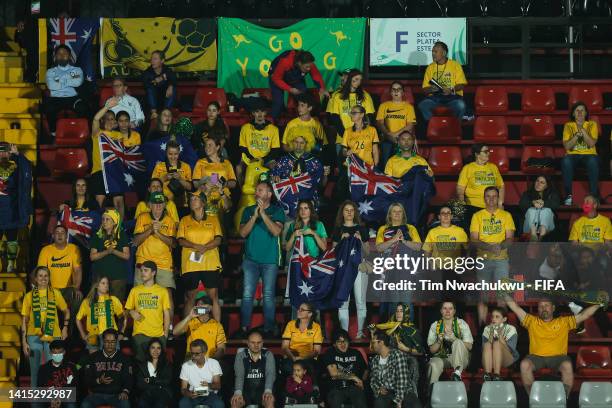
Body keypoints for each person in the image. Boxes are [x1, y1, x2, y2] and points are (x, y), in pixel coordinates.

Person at [505, 295, 604, 396]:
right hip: (536, 357)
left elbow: (584, 315)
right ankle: (533, 398)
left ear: (553, 308)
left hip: (559, 358)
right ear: (538, 309)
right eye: (541, 306)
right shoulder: (531, 321)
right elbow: (515, 308)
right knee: (524, 365)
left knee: (568, 366)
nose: (544, 308)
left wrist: (599, 304)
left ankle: (563, 400)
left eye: (546, 306)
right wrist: (504, 293)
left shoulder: (563, 322)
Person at [237, 181, 285, 337]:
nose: (257, 193)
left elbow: (276, 231)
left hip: (270, 260)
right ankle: (244, 328)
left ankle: (269, 329)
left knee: (269, 295)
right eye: (256, 190)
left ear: (269, 194)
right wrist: (255, 215)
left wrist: (263, 214)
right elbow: (243, 233)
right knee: (247, 294)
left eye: (260, 190)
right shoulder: (248, 210)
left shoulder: (277, 211)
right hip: (250, 260)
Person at [470, 186, 515, 324]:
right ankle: (482, 327)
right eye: (488, 196)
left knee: (502, 296)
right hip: (483, 260)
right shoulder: (477, 216)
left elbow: (510, 239)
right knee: (483, 296)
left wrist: (499, 246)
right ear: (484, 198)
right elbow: (474, 239)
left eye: (494, 196)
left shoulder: (506, 215)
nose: (491, 199)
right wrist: (490, 247)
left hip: (501, 260)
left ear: (498, 198)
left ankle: (501, 328)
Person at [178, 192, 223, 321]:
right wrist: (196, 246)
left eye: (196, 199)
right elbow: (180, 240)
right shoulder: (184, 220)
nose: (193, 201)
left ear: (203, 203)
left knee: (213, 296)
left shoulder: (213, 219)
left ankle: (217, 328)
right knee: (191, 296)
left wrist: (205, 247)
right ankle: (187, 328)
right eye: (191, 199)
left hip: (210, 262)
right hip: (191, 264)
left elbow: (218, 239)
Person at [21, 266, 69, 387]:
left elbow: (66, 311)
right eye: (40, 276)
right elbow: (24, 319)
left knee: (53, 369)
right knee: (34, 369)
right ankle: (35, 401)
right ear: (36, 279)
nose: (43, 278)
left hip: (53, 334)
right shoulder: (29, 296)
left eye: (46, 276)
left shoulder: (56, 293)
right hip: (33, 335)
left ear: (49, 278)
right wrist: (24, 341)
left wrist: (65, 327)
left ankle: (54, 399)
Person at [133, 191, 177, 315]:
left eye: (161, 203)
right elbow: (136, 241)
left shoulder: (170, 220)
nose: (158, 206)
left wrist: (158, 234)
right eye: (155, 203)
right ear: (150, 205)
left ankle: (168, 329)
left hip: (163, 264)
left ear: (164, 205)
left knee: (167, 295)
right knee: (139, 295)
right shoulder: (142, 217)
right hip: (143, 262)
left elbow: (173, 243)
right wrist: (151, 229)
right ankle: (140, 328)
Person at [333, 201, 369, 339]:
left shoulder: (362, 229)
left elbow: (367, 251)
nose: (349, 212)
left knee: (361, 301)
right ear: (342, 213)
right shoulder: (338, 230)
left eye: (351, 210)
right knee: (343, 302)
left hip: (359, 267)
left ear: (355, 212)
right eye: (346, 210)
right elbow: (334, 252)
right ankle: (344, 334)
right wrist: (341, 240)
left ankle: (360, 332)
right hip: (343, 270)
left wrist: (360, 240)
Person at [125, 261, 171, 361]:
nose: (142, 273)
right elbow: (126, 311)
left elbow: (166, 314)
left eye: (146, 270)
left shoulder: (162, 291)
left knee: (157, 367)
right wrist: (131, 312)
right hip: (139, 335)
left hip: (158, 335)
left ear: (153, 273)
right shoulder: (135, 290)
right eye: (141, 271)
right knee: (141, 366)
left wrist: (165, 334)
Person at [269, 49, 329, 120]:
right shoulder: (285, 62)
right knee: (278, 103)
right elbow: (276, 79)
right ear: (300, 63)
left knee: (304, 95)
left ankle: (300, 119)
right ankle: (271, 122)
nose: (309, 69)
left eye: (310, 66)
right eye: (307, 67)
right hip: (276, 75)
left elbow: (316, 75)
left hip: (294, 74)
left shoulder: (308, 62)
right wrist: (290, 89)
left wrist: (322, 88)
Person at [37, 225, 83, 317]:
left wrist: (76, 288)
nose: (60, 235)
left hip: (68, 289)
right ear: (53, 236)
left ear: (66, 236)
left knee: (78, 297)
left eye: (62, 233)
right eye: (57, 233)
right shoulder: (46, 250)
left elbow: (77, 271)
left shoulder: (74, 249)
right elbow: (41, 272)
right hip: (50, 288)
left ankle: (70, 329)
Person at [42, 44, 88, 136]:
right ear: (55, 56)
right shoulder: (51, 71)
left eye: (65, 53)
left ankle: (82, 133)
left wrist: (59, 80)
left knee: (83, 108)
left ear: (69, 56)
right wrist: (69, 80)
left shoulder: (76, 70)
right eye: (59, 53)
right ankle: (53, 133)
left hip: (73, 98)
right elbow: (51, 86)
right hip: (56, 98)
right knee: (48, 108)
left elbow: (78, 82)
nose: (62, 55)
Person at [0, 143, 32, 273]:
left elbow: (27, 172)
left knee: (12, 238)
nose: (3, 154)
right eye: (0, 152)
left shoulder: (17, 166)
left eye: (5, 152)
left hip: (11, 208)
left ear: (10, 153)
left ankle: (11, 264)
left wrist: (19, 155)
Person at [81, 329, 132, 408]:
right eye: (107, 341)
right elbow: (86, 380)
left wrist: (125, 391)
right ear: (103, 341)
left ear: (116, 342)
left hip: (117, 394)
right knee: (85, 405)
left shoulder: (124, 358)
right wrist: (99, 380)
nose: (110, 344)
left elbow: (129, 378)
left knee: (126, 405)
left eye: (112, 341)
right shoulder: (93, 357)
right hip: (97, 394)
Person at [370, 331, 421, 408]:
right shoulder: (375, 360)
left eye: (373, 342)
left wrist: (398, 400)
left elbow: (402, 380)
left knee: (415, 405)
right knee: (378, 403)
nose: (372, 345)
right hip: (386, 392)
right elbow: (373, 380)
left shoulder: (397, 355)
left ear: (381, 342)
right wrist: (378, 389)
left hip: (403, 390)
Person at [561, 102, 600, 205]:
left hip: (589, 155)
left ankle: (594, 196)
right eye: (577, 110)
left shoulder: (592, 124)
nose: (579, 113)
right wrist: (577, 136)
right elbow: (567, 146)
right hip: (572, 155)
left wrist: (582, 129)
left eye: (582, 110)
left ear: (586, 113)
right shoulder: (568, 125)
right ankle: (568, 195)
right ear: (573, 114)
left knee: (593, 161)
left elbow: (591, 143)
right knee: (566, 161)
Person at [418, 41, 467, 121]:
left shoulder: (455, 65)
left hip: (453, 97)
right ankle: (434, 126)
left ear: (444, 53)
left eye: (435, 52)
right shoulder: (430, 67)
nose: (433, 54)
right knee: (423, 105)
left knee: (460, 105)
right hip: (435, 98)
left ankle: (454, 127)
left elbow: (461, 85)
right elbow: (424, 89)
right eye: (432, 52)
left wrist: (451, 90)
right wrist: (431, 89)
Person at [76, 276, 126, 353]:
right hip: (93, 336)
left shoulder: (113, 299)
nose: (106, 285)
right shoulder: (87, 301)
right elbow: (78, 319)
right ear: (96, 285)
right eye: (103, 283)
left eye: (107, 283)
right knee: (94, 362)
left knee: (111, 363)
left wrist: (121, 333)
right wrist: (83, 335)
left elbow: (123, 317)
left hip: (111, 336)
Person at [427, 301, 473, 383]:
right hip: (444, 357)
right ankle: (432, 391)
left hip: (461, 358)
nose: (447, 311)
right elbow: (432, 350)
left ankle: (457, 373)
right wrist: (438, 341)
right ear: (441, 311)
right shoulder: (435, 326)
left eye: (450, 308)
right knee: (433, 364)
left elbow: (470, 346)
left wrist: (454, 338)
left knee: (458, 342)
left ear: (454, 311)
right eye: (445, 308)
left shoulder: (461, 323)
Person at [89, 209, 130, 301]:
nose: (104, 222)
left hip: (117, 278)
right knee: (99, 306)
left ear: (114, 222)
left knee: (116, 308)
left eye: (107, 219)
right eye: (103, 219)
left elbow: (127, 256)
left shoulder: (121, 235)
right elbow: (92, 257)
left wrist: (113, 251)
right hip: (100, 279)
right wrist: (107, 252)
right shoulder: (97, 236)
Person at [173, 289, 227, 360]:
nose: (199, 306)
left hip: (209, 361)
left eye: (202, 304)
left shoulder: (217, 325)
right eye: (198, 304)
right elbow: (175, 332)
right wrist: (189, 316)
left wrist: (211, 361)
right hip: (192, 361)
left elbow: (221, 348)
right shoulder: (191, 321)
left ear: (209, 308)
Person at [192, 136, 237, 219]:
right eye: (205, 145)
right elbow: (195, 183)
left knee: (223, 215)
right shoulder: (200, 162)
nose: (206, 148)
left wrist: (224, 184)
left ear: (217, 147)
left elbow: (233, 183)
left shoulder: (227, 163)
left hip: (222, 194)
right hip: (206, 194)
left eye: (210, 145)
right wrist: (204, 182)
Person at [322, 329, 368, 408]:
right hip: (336, 387)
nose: (342, 344)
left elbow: (365, 370)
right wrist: (354, 377)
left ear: (348, 342)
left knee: (361, 401)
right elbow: (334, 374)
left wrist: (362, 382)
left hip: (353, 387)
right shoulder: (330, 353)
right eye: (339, 342)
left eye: (345, 341)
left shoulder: (356, 353)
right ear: (334, 344)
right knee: (335, 400)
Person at [236, 100, 281, 182]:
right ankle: (242, 190)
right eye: (257, 112)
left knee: (276, 167)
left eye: (262, 111)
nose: (260, 114)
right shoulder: (245, 128)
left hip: (267, 160)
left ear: (266, 113)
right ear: (253, 113)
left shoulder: (274, 129)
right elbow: (242, 147)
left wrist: (263, 160)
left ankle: (271, 192)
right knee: (238, 168)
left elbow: (275, 150)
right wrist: (252, 159)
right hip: (249, 158)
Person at [231, 329, 276, 408]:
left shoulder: (268, 355)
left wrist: (268, 391)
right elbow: (239, 376)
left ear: (262, 343)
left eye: (259, 342)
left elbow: (270, 374)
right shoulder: (241, 355)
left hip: (262, 390)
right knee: (235, 401)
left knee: (269, 400)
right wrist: (238, 392)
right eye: (253, 342)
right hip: (245, 391)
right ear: (248, 343)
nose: (256, 345)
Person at [377, 82, 417, 167]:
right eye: (393, 89)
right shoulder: (383, 106)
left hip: (402, 139)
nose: (396, 92)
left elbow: (410, 125)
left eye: (398, 89)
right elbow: (380, 123)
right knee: (386, 164)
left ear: (402, 92)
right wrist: (388, 134)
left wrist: (396, 134)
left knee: (401, 164)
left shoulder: (409, 107)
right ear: (390, 92)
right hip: (387, 138)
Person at [327, 69, 376, 139]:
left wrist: (362, 133)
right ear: (349, 79)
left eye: (360, 80)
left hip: (361, 138)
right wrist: (345, 135)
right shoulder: (337, 96)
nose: (358, 82)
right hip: (342, 139)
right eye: (356, 79)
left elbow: (369, 117)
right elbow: (335, 117)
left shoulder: (366, 95)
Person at [457, 143, 505, 213]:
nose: (488, 153)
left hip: (492, 206)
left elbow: (501, 186)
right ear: (477, 154)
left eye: (488, 151)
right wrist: (462, 204)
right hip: (473, 207)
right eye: (485, 152)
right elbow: (460, 189)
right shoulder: (468, 168)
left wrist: (500, 203)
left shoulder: (493, 167)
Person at [89, 102, 119, 210]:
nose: (111, 121)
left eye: (113, 119)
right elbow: (95, 119)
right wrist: (107, 107)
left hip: (115, 172)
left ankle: (119, 226)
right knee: (100, 201)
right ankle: (99, 225)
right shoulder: (97, 133)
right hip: (99, 171)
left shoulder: (119, 135)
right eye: (108, 119)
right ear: (103, 121)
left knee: (118, 200)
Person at [179, 339, 224, 408]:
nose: (193, 356)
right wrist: (189, 394)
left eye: (197, 354)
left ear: (204, 352)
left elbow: (218, 385)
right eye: (192, 353)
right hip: (193, 393)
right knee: (183, 403)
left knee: (219, 404)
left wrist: (209, 385)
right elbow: (183, 389)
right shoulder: (186, 365)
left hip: (209, 393)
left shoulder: (214, 363)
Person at [281, 302, 323, 376]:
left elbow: (317, 350)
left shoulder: (316, 327)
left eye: (302, 310)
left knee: (311, 367)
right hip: (292, 356)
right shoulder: (290, 324)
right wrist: (293, 358)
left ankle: (313, 386)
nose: (298, 311)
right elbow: (284, 347)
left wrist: (303, 358)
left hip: (309, 357)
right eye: (298, 309)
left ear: (310, 314)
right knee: (287, 367)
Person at [34, 339, 78, 408]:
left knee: (71, 404)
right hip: (48, 398)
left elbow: (74, 388)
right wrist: (50, 400)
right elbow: (40, 389)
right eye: (55, 353)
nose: (57, 355)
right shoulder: (43, 369)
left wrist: (61, 399)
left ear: (64, 352)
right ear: (50, 353)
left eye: (60, 352)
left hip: (66, 398)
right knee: (36, 403)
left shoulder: (71, 367)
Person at [423, 206, 468, 271]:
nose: (446, 215)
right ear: (439, 217)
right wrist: (430, 263)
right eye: (443, 213)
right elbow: (427, 251)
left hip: (454, 268)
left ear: (451, 216)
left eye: (448, 213)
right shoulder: (432, 232)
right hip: (438, 268)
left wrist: (464, 263)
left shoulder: (460, 231)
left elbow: (468, 248)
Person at [481, 307, 519, 381]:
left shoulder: (511, 329)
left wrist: (499, 335)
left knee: (496, 343)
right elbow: (484, 350)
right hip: (490, 359)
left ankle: (497, 375)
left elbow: (510, 350)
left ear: (504, 319)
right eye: (492, 316)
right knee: (487, 344)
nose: (493, 319)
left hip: (507, 358)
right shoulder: (487, 328)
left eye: (497, 317)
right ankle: (487, 375)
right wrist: (492, 331)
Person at [151, 140, 193, 207]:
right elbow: (152, 187)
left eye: (175, 154)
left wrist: (180, 179)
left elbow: (190, 187)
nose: (173, 157)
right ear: (166, 153)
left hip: (182, 203)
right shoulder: (159, 166)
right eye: (170, 154)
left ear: (179, 152)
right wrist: (164, 178)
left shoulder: (186, 167)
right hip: (163, 203)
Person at [519, 175, 560, 241]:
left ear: (547, 185)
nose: (538, 184)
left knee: (546, 210)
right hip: (529, 227)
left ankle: (542, 233)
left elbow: (556, 205)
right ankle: (533, 233)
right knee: (531, 210)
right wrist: (532, 203)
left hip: (547, 227)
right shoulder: (527, 193)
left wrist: (544, 203)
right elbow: (521, 205)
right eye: (537, 181)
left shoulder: (552, 194)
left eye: (542, 182)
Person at [135, 338, 173, 408]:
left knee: (159, 404)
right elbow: (140, 383)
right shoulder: (142, 365)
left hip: (163, 392)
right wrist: (155, 385)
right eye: (153, 348)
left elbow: (167, 381)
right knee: (142, 404)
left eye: (158, 348)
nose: (156, 351)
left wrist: (151, 380)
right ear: (149, 349)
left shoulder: (166, 364)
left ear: (161, 350)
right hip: (147, 392)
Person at [142, 50, 177, 119]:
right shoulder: (148, 72)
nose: (152, 61)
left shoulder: (167, 70)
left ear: (162, 61)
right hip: (152, 103)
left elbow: (174, 80)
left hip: (165, 100)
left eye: (155, 59)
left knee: (172, 88)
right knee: (150, 88)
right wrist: (156, 80)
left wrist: (171, 86)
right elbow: (146, 84)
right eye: (151, 59)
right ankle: (154, 113)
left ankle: (165, 112)